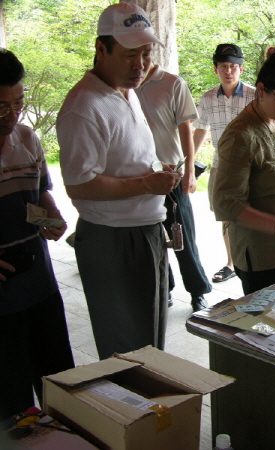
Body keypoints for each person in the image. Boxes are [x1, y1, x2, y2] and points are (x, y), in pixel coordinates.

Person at [57, 3, 181, 360]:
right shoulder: (84, 106)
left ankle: (152, 410)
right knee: (127, 349)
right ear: (101, 49)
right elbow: (80, 185)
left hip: (145, 229)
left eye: (145, 54)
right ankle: (129, 411)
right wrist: (146, 184)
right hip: (114, 237)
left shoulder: (125, 91)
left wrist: (158, 175)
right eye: (129, 55)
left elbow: (125, 160)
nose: (140, 65)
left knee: (150, 338)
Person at [0, 49, 74, 419]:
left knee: (58, 381)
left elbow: (41, 189)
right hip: (2, 293)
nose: (12, 115)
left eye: (18, 104)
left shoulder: (27, 140)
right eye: (1, 107)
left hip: (39, 282)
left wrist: (53, 216)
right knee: (11, 399)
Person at [212, 41, 275, 295]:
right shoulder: (240, 136)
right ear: (261, 90)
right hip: (261, 254)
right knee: (269, 328)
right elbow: (226, 203)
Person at [136, 63, 212, 312]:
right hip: (140, 176)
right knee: (152, 237)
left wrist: (189, 170)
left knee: (183, 236)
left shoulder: (171, 83)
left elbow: (185, 130)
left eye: (145, 53)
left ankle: (197, 291)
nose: (140, 61)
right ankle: (164, 287)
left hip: (171, 175)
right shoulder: (124, 84)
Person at [193, 44, 255, 284]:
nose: (228, 71)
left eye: (232, 66)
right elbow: (200, 129)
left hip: (252, 165)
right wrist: (188, 164)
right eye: (223, 67)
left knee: (253, 211)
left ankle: (252, 259)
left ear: (240, 68)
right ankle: (232, 263)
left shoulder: (254, 95)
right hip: (221, 164)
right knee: (226, 215)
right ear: (216, 69)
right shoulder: (208, 98)